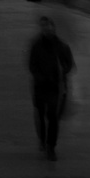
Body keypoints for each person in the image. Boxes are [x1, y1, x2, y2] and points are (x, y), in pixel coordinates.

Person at [28, 16, 75, 160]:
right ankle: (42, 139)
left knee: (53, 118)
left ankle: (51, 146)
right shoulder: (36, 45)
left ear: (54, 29)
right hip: (40, 87)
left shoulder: (62, 46)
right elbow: (32, 66)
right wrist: (40, 77)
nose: (48, 30)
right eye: (45, 28)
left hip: (55, 87)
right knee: (41, 115)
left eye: (50, 28)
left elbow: (70, 64)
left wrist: (62, 72)